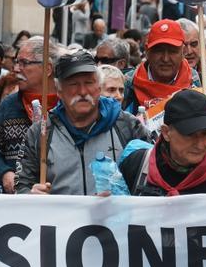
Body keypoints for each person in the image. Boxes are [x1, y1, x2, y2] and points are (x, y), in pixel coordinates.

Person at [19, 51, 150, 195]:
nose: (82, 91)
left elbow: (151, 177)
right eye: (73, 84)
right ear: (59, 91)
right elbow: (21, 184)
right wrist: (30, 195)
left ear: (99, 88)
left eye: (89, 83)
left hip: (115, 217)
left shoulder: (127, 126)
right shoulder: (41, 132)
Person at [120, 89, 206, 195]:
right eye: (190, 134)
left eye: (205, 134)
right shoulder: (137, 165)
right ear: (166, 133)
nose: (200, 145)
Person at [0, 36, 60, 193]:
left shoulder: (65, 107)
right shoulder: (8, 106)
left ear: (47, 69)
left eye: (24, 63)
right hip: (17, 204)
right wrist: (4, 173)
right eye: (17, 62)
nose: (16, 68)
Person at [123, 19, 196, 114]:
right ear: (147, 51)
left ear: (183, 52)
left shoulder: (196, 82)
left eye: (172, 51)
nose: (165, 59)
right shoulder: (127, 84)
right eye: (159, 51)